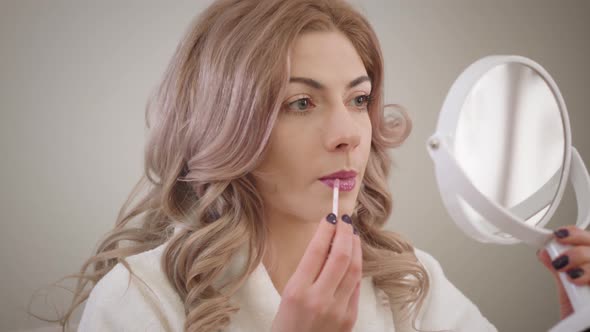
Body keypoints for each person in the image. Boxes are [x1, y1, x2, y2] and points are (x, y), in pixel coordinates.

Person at [41, 0, 590, 331]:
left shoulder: (406, 278)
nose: (347, 135)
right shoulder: (141, 298)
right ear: (226, 124)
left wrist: (576, 315)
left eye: (357, 100)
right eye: (300, 103)